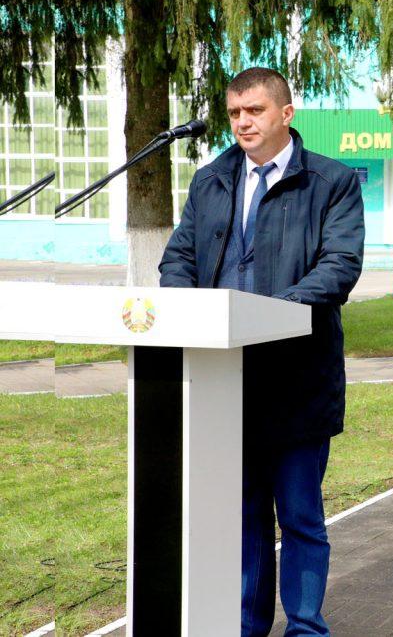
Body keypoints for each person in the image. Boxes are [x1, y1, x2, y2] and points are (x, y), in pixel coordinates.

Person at [159, 67, 364, 636]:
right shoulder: (210, 180)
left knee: (299, 518)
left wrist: (275, 314)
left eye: (254, 111)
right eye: (234, 113)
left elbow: (340, 266)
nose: (243, 123)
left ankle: (305, 628)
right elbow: (179, 258)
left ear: (285, 113)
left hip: (297, 379)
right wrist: (185, 309)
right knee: (244, 518)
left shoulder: (333, 182)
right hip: (224, 380)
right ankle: (246, 626)